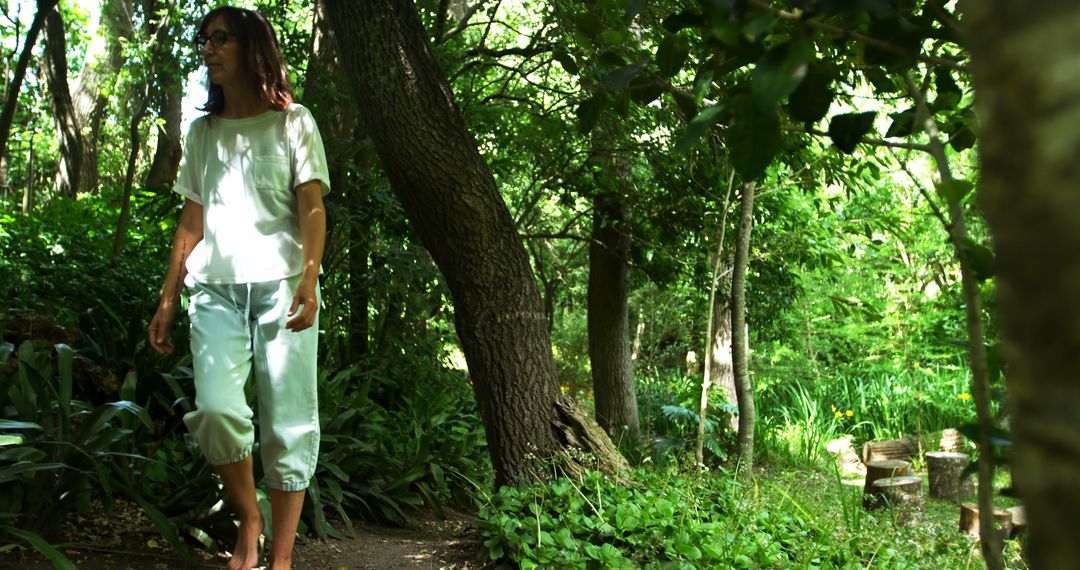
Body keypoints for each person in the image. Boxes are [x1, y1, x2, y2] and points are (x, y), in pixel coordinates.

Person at [147, 6, 329, 570]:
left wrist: (309, 275)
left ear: (251, 47)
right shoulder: (202, 132)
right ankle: (249, 515)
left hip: (283, 289)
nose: (207, 49)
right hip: (217, 292)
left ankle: (280, 558)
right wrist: (168, 298)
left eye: (219, 39)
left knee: (288, 422)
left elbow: (313, 207)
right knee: (219, 410)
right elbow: (191, 222)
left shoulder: (294, 122)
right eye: (204, 40)